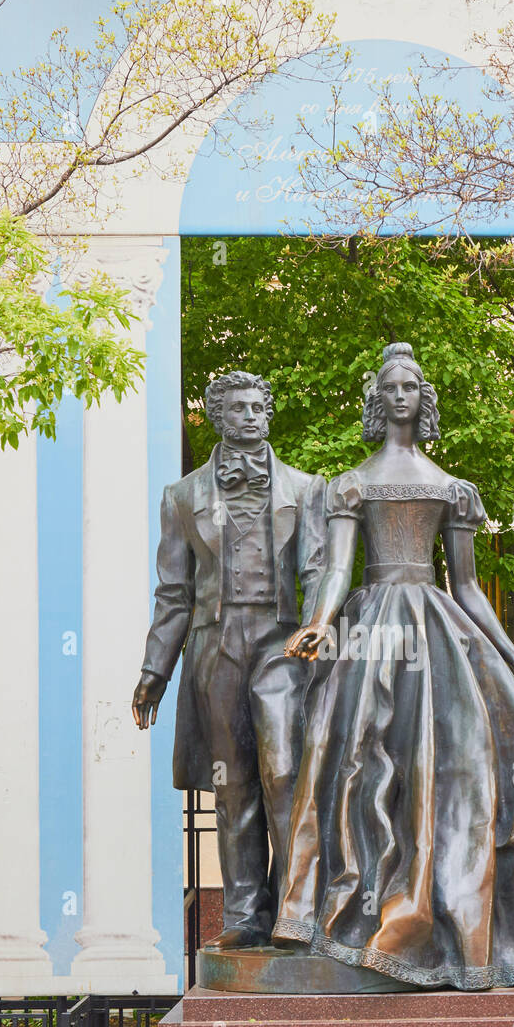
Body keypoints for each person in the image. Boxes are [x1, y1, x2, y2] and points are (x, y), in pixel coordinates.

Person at [275, 342, 514, 989]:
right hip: (372, 626)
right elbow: (332, 573)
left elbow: (465, 588)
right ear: (377, 401)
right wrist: (319, 624)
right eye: (391, 386)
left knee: (490, 750)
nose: (400, 394)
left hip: (439, 631)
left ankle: (459, 922)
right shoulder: (349, 485)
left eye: (411, 385)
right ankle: (352, 912)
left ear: (421, 399)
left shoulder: (451, 489)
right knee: (354, 758)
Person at [132, 371, 326, 949]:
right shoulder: (182, 496)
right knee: (233, 781)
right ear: (217, 416)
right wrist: (154, 671)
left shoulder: (308, 488)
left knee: (284, 770)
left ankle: (297, 906)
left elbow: (317, 570)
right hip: (216, 644)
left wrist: (317, 626)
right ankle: (244, 913)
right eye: (238, 408)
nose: (250, 416)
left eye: (258, 407)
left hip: (282, 639)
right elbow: (173, 595)